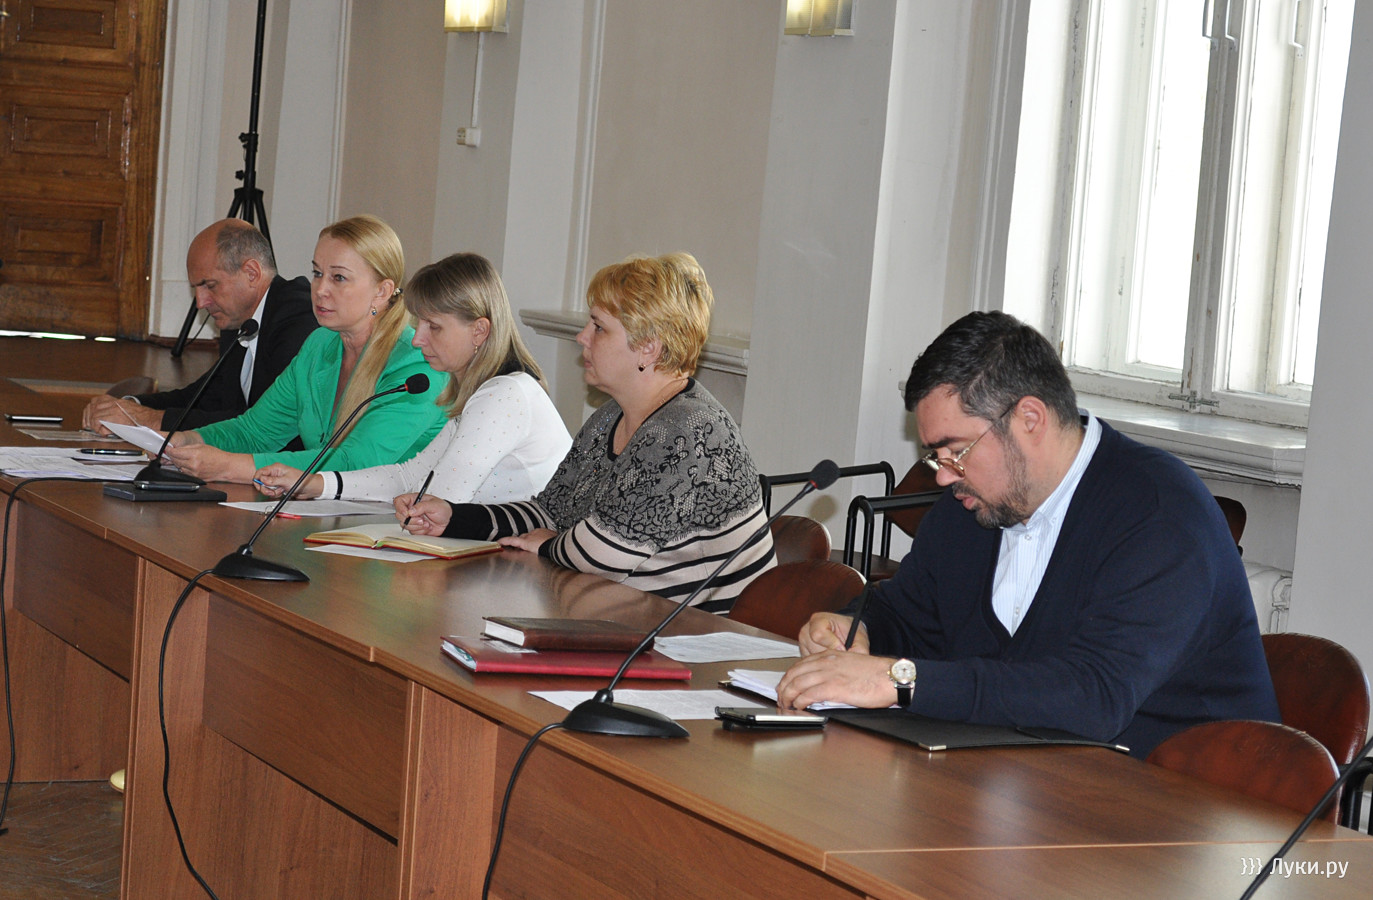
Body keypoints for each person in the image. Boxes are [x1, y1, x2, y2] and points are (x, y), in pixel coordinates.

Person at [776, 311, 1278, 758]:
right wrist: (857, 628)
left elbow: (1094, 696)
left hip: (1182, 804)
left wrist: (900, 679)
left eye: (955, 452)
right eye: (935, 457)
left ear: (1030, 419)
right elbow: (909, 613)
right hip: (1028, 782)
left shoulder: (1159, 514)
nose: (944, 476)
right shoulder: (973, 505)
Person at [400, 253, 774, 610]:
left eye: (598, 327)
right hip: (624, 617)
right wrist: (455, 517)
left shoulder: (688, 430)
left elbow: (606, 553)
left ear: (648, 348)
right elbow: (549, 512)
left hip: (695, 635)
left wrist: (548, 546)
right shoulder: (609, 416)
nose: (582, 337)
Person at [252, 252, 572, 504]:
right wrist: (313, 483)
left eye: (434, 327)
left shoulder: (504, 395)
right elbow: (407, 477)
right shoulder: (481, 393)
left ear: (479, 330)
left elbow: (441, 499)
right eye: (419, 324)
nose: (417, 340)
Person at [163, 215, 446, 483]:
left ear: (381, 291)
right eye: (317, 273)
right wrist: (184, 441)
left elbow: (356, 464)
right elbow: (255, 432)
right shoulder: (319, 345)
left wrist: (230, 467)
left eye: (339, 278)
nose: (320, 289)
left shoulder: (417, 365)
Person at [81, 218, 316, 434]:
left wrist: (147, 419)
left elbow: (266, 425)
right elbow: (205, 397)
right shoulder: (240, 318)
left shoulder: (298, 320)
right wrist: (130, 405)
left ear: (251, 273)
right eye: (196, 288)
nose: (201, 303)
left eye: (210, 285)